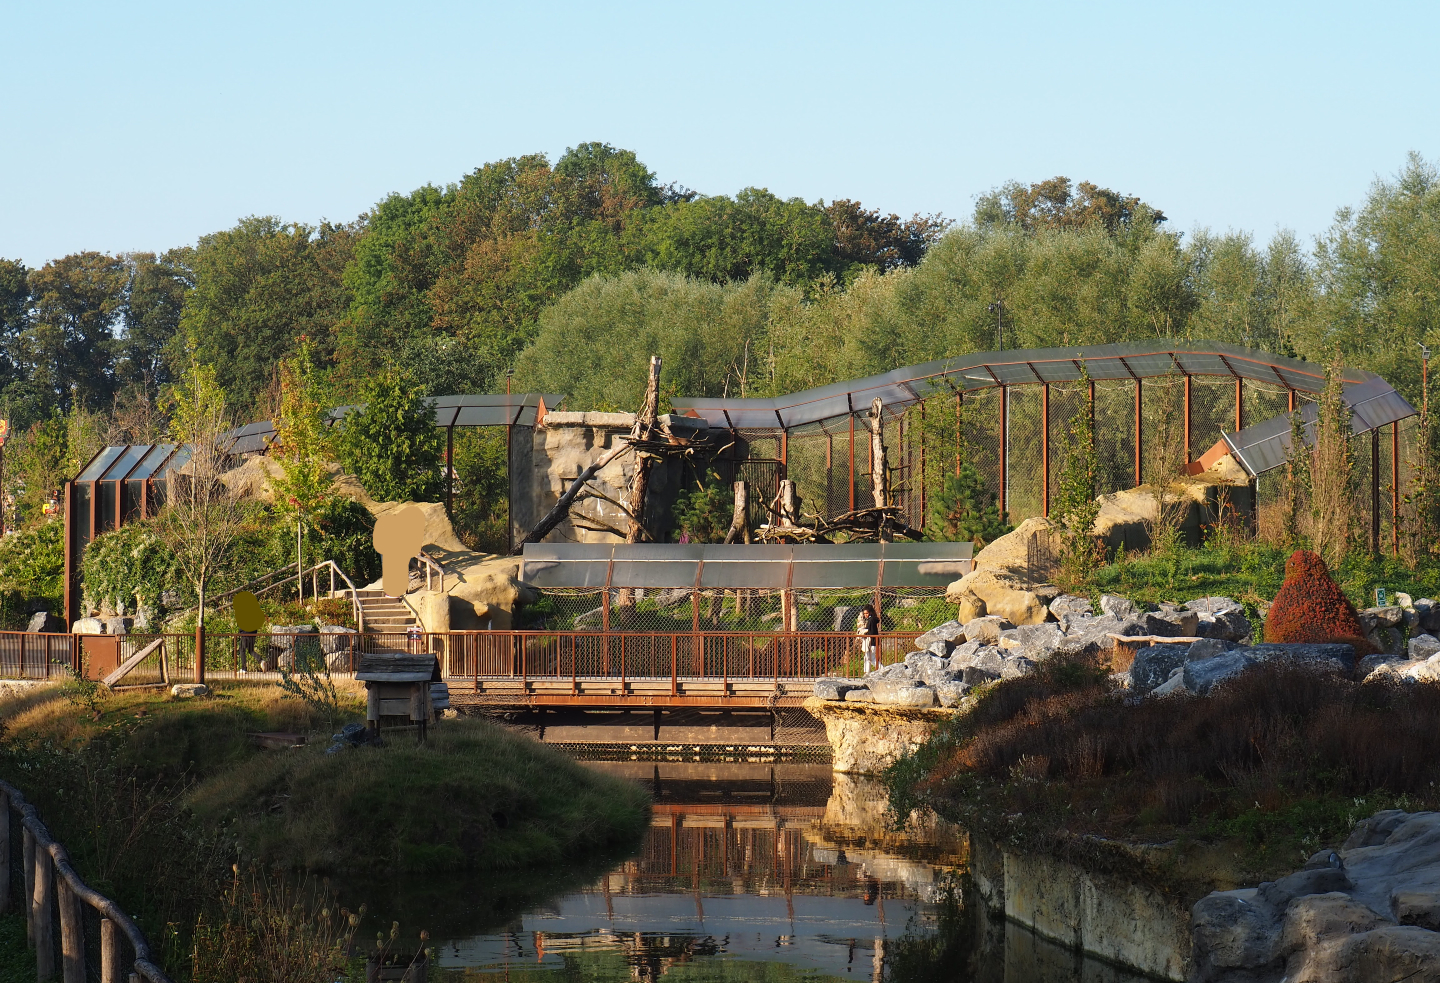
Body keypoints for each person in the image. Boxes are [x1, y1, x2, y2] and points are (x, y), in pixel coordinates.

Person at [856, 604, 880, 673]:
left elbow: (871, 632)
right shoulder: (871, 619)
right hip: (872, 641)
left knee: (871, 658)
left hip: (872, 642)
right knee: (867, 658)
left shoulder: (871, 620)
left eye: (867, 613)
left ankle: (883, 669)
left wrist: (864, 631)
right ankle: (867, 672)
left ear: (870, 612)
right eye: (864, 613)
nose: (865, 615)